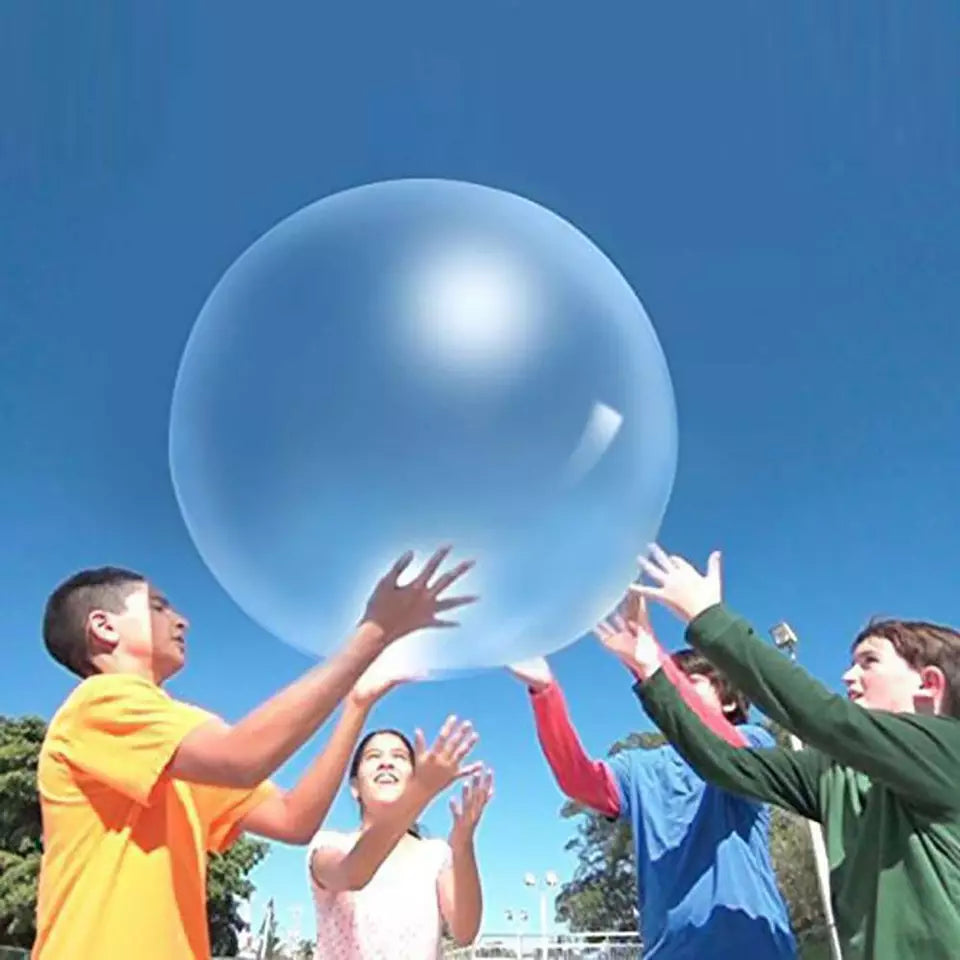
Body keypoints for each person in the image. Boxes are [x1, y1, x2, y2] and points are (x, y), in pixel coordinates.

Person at [33, 546, 475, 960]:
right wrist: (373, 634)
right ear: (103, 626)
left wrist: (356, 705)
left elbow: (293, 819)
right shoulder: (98, 704)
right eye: (158, 606)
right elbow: (243, 757)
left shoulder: (176, 744)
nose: (181, 620)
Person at [626, 543, 960, 960]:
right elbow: (728, 763)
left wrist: (708, 619)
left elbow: (823, 717)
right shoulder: (838, 777)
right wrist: (649, 673)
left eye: (868, 662)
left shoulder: (949, 752)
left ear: (929, 684)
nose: (848, 676)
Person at [507, 592, 796, 960]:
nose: (674, 688)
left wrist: (651, 661)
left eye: (690, 681)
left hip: (754, 949)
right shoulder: (639, 767)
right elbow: (577, 780)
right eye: (673, 681)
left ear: (729, 701)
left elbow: (722, 748)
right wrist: (545, 691)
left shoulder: (753, 741)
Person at [307, 717, 493, 959]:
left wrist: (463, 844)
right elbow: (352, 874)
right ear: (355, 787)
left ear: (412, 779)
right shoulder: (328, 845)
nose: (386, 763)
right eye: (373, 756)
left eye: (399, 757)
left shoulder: (434, 854)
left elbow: (465, 931)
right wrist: (422, 793)